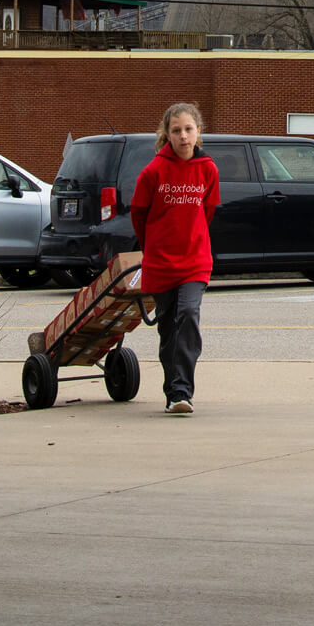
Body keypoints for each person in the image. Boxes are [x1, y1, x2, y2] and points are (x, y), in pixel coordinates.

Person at [130, 102, 220, 416]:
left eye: (188, 129)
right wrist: (152, 246)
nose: (183, 136)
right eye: (176, 130)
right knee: (168, 329)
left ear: (198, 132)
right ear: (166, 134)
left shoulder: (208, 168)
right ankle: (173, 393)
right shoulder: (153, 171)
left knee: (189, 316)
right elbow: (139, 214)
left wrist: (191, 238)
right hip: (161, 261)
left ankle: (183, 390)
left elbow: (207, 210)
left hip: (195, 260)